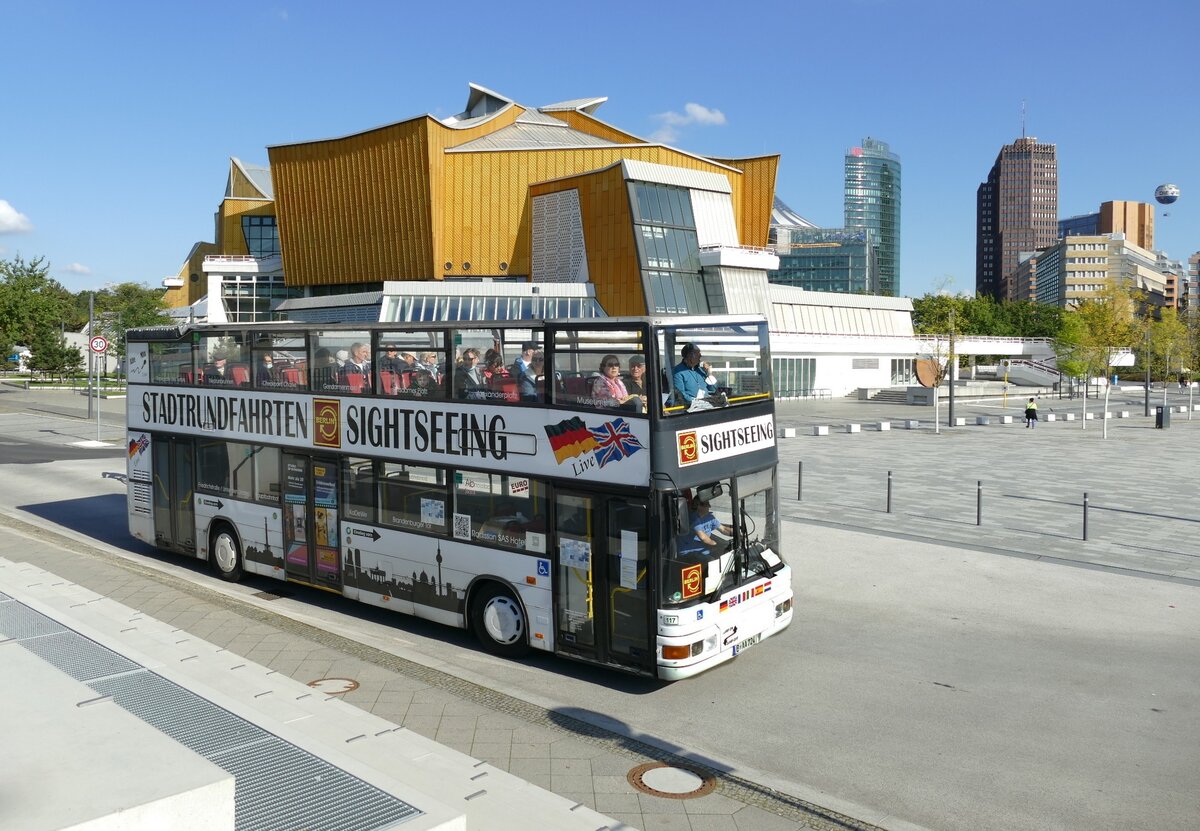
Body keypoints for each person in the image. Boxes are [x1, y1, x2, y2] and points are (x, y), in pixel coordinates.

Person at [672, 343, 717, 408]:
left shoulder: (700, 370)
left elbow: (713, 389)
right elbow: (680, 395)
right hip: (691, 407)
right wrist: (697, 402)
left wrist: (709, 374)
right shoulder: (678, 372)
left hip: (707, 405)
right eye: (698, 353)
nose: (700, 356)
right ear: (690, 355)